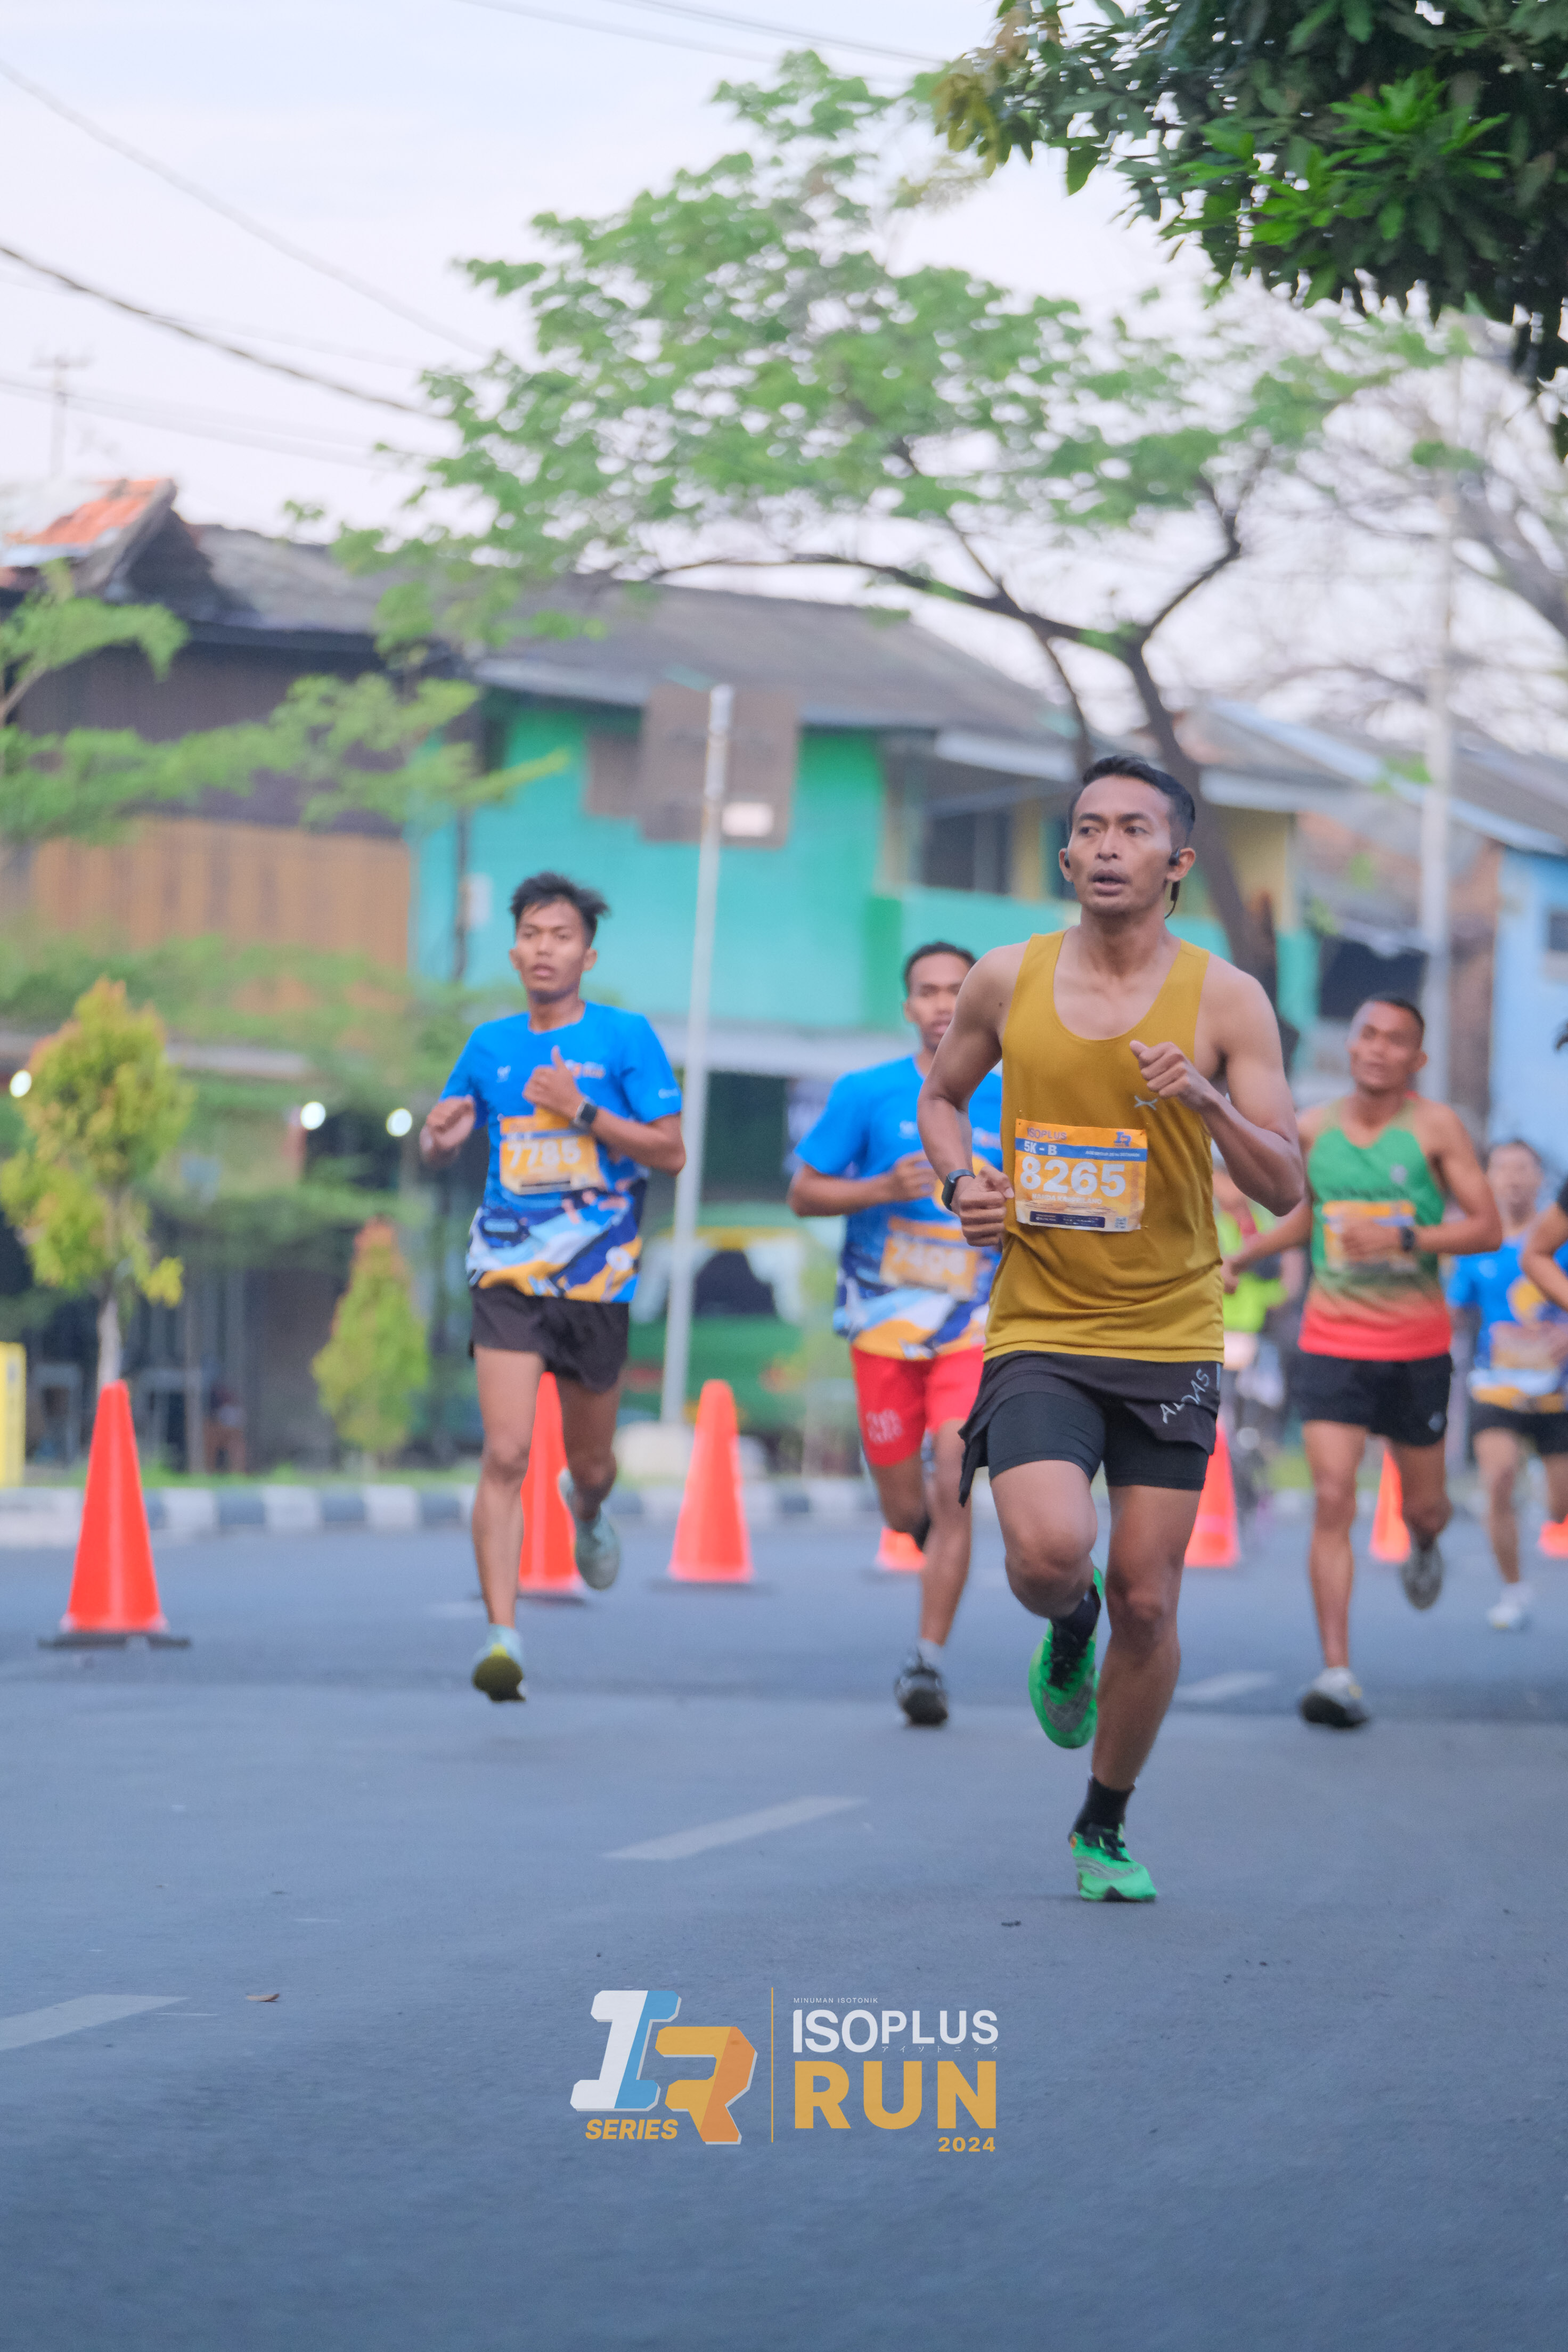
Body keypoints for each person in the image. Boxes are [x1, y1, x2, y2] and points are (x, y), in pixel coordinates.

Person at [919, 756, 1302, 1902]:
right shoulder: (1006, 978)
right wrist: (959, 1182)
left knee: (1150, 1595)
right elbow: (941, 1100)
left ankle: (1102, 1820)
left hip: (1168, 1331)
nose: (1104, 846)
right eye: (1088, 827)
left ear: (1175, 861)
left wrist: (1206, 1099)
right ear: (1064, 855)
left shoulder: (1225, 1001)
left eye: (1132, 829)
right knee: (1046, 1554)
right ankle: (1067, 1622)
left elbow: (1284, 1184)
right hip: (1038, 1321)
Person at [420, 872, 684, 1702]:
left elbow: (671, 1152)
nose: (545, 949)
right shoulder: (488, 1046)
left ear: (587, 955)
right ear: (514, 951)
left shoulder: (625, 1038)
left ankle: (589, 1509)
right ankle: (502, 1636)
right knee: (505, 1453)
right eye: (532, 934)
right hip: (507, 1269)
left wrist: (582, 1111)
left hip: (598, 1279)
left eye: (561, 936)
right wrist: (438, 1139)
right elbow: (446, 1132)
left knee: (592, 1463)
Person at [1225, 998, 1500, 1729]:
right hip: (1332, 1343)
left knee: (1425, 1506)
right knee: (1333, 1498)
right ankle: (1336, 1671)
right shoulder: (1313, 1128)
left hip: (1416, 1350)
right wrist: (1244, 1256)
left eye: (1395, 1040)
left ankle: (1426, 1539)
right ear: (1348, 1046)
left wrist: (1407, 1239)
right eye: (1367, 1035)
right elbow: (1305, 1216)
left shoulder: (1436, 1128)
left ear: (1418, 1059)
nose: (1378, 1049)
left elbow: (1486, 1227)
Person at [789, 944, 1005, 1727]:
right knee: (902, 1507)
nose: (944, 1003)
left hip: (973, 1328)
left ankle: (927, 1660)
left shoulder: (1021, 1094)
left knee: (955, 1476)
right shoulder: (867, 1092)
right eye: (928, 991)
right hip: (882, 1330)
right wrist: (881, 1187)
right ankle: (926, 1539)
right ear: (908, 1006)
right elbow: (804, 1192)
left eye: (958, 989)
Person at [1448, 1140, 1568, 1631]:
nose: (1514, 1179)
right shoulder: (1475, 1243)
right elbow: (1455, 1312)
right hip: (1495, 1385)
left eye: (1523, 1169)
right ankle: (1513, 1590)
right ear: (1490, 1178)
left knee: (1560, 1508)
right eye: (1503, 1169)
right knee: (1497, 1480)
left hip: (1557, 1391)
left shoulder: (1559, 1238)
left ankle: (1543, 1483)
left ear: (1541, 1179)